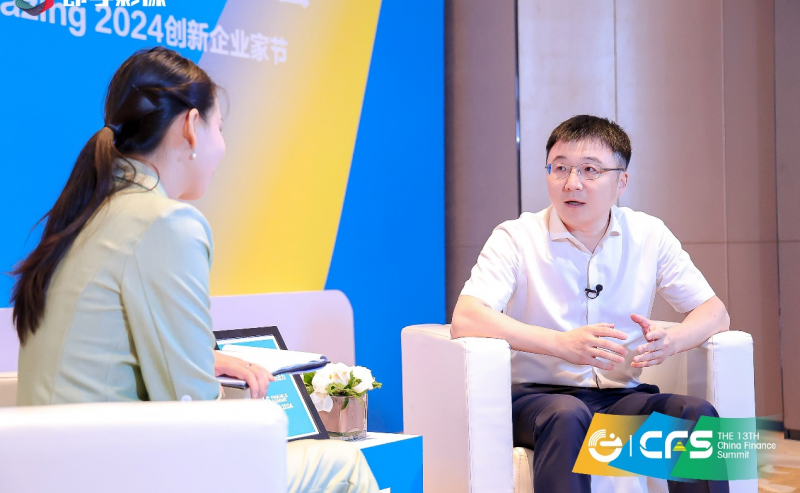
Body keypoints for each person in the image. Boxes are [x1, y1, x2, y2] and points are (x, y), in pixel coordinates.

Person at [12, 46, 378, 493]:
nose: (222, 147)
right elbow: (198, 414)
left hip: (64, 472)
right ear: (190, 127)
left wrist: (207, 359)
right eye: (219, 127)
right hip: (119, 474)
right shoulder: (166, 224)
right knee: (343, 464)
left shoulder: (87, 217)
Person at [450, 115, 731, 493]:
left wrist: (673, 341)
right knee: (567, 414)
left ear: (621, 181)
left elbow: (715, 312)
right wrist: (560, 344)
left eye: (589, 170)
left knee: (694, 416)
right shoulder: (516, 237)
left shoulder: (648, 234)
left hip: (620, 401)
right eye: (559, 168)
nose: (572, 183)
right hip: (536, 403)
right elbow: (467, 316)